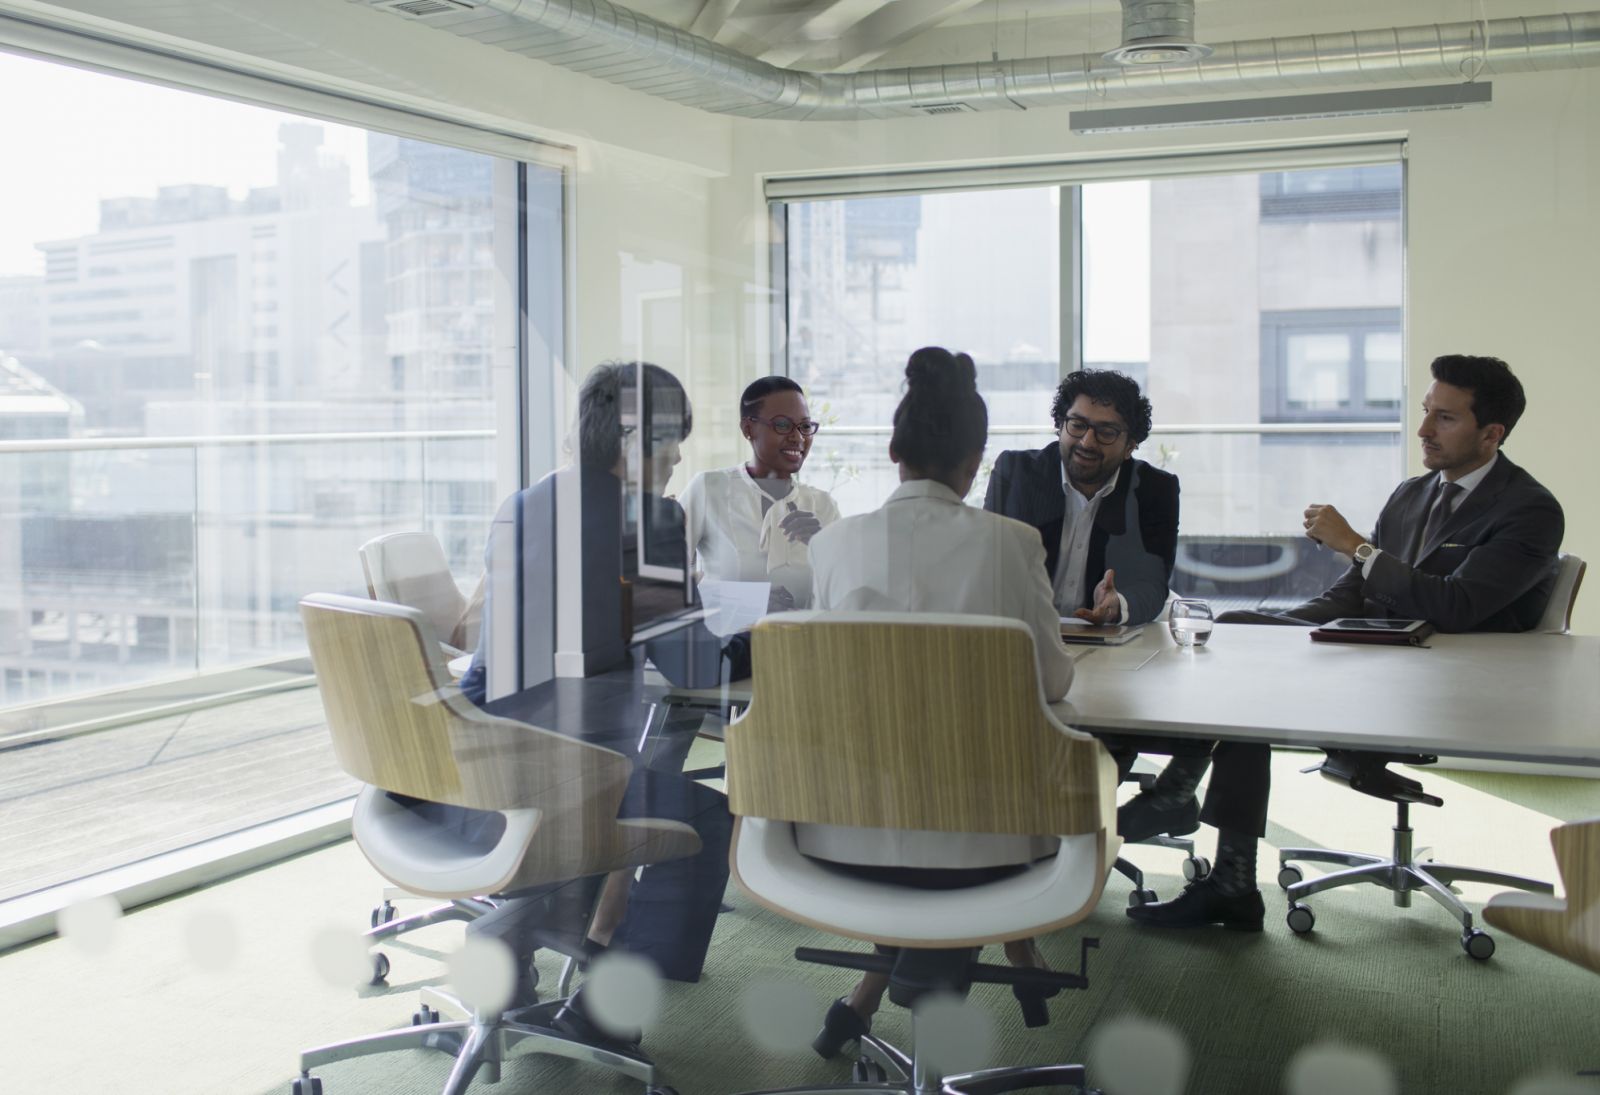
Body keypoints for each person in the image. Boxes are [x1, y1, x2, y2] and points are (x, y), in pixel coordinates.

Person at [1127, 353, 1565, 931]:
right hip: (1376, 659)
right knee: (1239, 634)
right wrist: (1273, 629)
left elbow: (1456, 606)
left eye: (1446, 419)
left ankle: (1188, 809)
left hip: (1447, 685)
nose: (1424, 430)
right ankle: (1219, 862)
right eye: (1427, 412)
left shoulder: (1530, 510)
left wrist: (1358, 546)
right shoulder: (1413, 494)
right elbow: (1352, 596)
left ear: (1492, 434)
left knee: (1248, 692)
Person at [800, 346, 1075, 1058]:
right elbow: (1052, 683)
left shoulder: (831, 548)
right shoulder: (1013, 544)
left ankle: (882, 985)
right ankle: (1009, 954)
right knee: (980, 787)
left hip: (844, 837)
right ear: (975, 459)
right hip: (986, 842)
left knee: (915, 780)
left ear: (893, 449)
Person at [453, 362, 732, 1017]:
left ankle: (515, 942)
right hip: (563, 783)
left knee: (622, 756)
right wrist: (748, 639)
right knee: (708, 818)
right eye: (671, 441)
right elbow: (695, 668)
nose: (678, 456)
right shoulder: (654, 520)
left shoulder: (519, 505)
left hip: (472, 769)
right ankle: (604, 1007)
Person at [982, 370, 1213, 841]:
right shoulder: (1018, 472)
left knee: (1143, 710)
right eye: (1077, 424)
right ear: (1060, 425)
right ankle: (1061, 826)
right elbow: (990, 564)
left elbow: (1153, 581)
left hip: (1109, 651)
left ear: (1130, 444)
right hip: (1028, 645)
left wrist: (1119, 604)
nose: (1087, 440)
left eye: (1106, 431)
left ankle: (1083, 823)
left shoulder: (1154, 490)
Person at [680, 376, 841, 675]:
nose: (798, 438)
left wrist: (823, 547)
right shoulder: (709, 488)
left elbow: (844, 600)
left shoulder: (823, 506)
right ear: (748, 428)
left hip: (804, 665)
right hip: (726, 666)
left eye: (805, 426)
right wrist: (749, 601)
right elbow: (668, 590)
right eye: (783, 425)